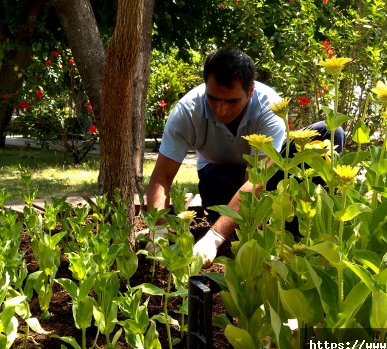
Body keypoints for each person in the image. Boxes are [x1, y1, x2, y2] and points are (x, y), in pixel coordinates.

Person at [145, 47, 344, 267]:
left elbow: (257, 180)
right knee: (222, 185)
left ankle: (299, 232)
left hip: (265, 177)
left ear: (250, 92)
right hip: (220, 178)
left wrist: (214, 238)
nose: (220, 110)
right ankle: (236, 226)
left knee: (330, 133)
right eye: (213, 98)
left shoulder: (269, 108)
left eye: (231, 101)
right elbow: (161, 177)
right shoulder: (186, 112)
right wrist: (158, 229)